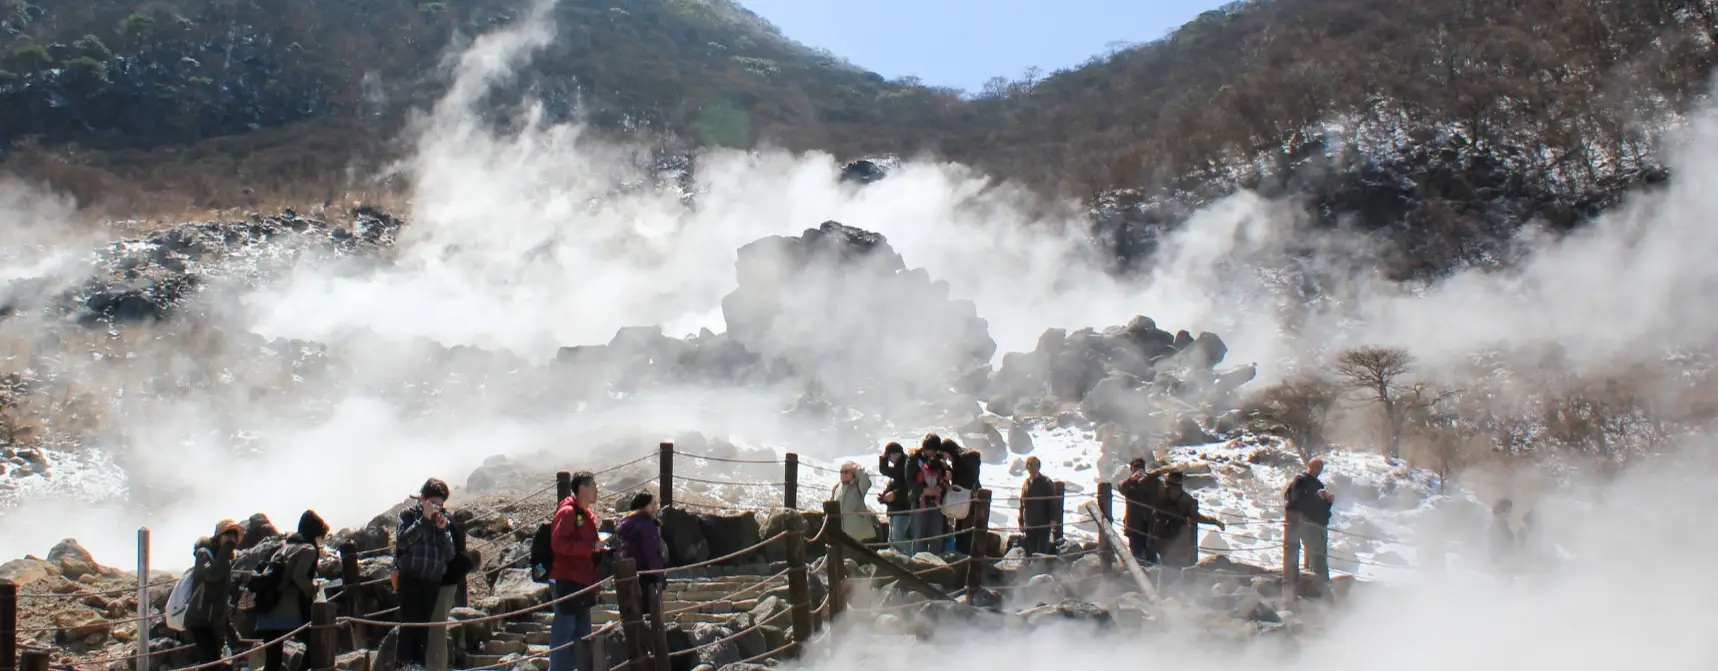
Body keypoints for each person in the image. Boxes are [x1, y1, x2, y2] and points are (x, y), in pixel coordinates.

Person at [395, 478, 458, 671]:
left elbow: (450, 553)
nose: (436, 507)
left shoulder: (442, 520)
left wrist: (442, 530)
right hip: (411, 578)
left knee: (424, 628)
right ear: (422, 499)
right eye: (432, 503)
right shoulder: (408, 515)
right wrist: (423, 519)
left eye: (440, 504)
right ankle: (404, 665)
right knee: (409, 624)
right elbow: (403, 542)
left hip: (432, 580)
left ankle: (419, 665)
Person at [257, 511, 328, 671]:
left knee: (272, 661)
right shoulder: (308, 549)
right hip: (289, 612)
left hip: (267, 610)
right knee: (316, 644)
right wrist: (313, 590)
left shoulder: (284, 547)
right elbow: (298, 575)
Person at [549, 471, 603, 671]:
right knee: (565, 632)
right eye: (593, 486)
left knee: (582, 632)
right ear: (582, 488)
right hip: (567, 578)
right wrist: (590, 547)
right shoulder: (568, 513)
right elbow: (559, 544)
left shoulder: (585, 514)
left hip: (582, 580)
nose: (597, 490)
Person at [1149, 471, 1227, 584]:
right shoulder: (1163, 496)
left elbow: (1195, 517)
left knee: (1170, 567)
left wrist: (1214, 521)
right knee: (1168, 567)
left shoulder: (1185, 501)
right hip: (1166, 538)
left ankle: (1168, 592)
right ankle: (1166, 592)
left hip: (1174, 540)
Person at [185, 520, 243, 669]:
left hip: (213, 622)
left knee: (213, 662)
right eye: (227, 534)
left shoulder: (225, 563)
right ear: (218, 537)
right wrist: (226, 550)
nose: (231, 539)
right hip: (200, 619)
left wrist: (231, 632)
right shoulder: (203, 554)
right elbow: (211, 575)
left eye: (234, 536)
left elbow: (221, 599)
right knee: (209, 661)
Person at [428, 509, 475, 671]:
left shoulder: (442, 520)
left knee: (435, 631)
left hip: (441, 581)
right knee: (436, 630)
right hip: (446, 581)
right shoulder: (449, 519)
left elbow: (449, 552)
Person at [1283, 457, 1335, 583]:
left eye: (1320, 468)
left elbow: (1321, 506)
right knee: (1315, 553)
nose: (1318, 470)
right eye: (1316, 467)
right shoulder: (1301, 481)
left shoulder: (1319, 484)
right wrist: (1317, 497)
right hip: (1306, 521)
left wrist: (1328, 501)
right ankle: (1318, 583)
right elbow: (1296, 501)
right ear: (1309, 466)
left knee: (1320, 554)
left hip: (1319, 523)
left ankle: (1317, 582)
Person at [1115, 458, 1175, 564]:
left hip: (1150, 526)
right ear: (1132, 469)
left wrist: (1151, 478)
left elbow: (1162, 495)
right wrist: (1131, 480)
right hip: (1134, 526)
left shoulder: (1152, 483)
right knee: (1137, 556)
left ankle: (1151, 577)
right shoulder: (1128, 484)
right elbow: (1121, 487)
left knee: (1151, 556)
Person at [908, 436, 948, 555]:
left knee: (937, 534)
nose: (934, 453)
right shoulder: (914, 459)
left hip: (936, 502)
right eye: (933, 450)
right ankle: (918, 563)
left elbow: (945, 475)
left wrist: (941, 487)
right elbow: (909, 480)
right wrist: (924, 490)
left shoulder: (939, 459)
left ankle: (936, 563)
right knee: (919, 534)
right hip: (919, 501)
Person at [877, 442, 914, 554]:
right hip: (896, 509)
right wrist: (884, 497)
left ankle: (904, 562)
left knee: (899, 538)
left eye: (889, 456)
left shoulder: (905, 466)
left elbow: (906, 487)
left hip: (902, 509)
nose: (889, 459)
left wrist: (894, 495)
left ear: (895, 454)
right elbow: (887, 473)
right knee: (894, 539)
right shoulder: (899, 467)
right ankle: (898, 561)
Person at [1018, 456, 1058, 556]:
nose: (1033, 468)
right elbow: (1022, 504)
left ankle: (1042, 571)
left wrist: (1053, 519)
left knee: (1041, 553)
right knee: (1031, 552)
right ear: (1027, 467)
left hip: (1042, 524)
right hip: (1029, 524)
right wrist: (1021, 521)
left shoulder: (1046, 482)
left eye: (1036, 465)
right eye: (1030, 465)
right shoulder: (1026, 484)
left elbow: (1052, 502)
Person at [831, 462, 877, 542]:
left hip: (858, 532)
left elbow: (866, 481)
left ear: (853, 474)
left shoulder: (858, 486)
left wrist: (858, 470)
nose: (843, 474)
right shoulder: (836, 488)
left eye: (846, 472)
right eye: (841, 472)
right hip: (842, 532)